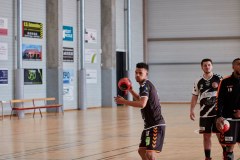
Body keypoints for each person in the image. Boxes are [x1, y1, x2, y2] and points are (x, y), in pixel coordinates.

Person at [114, 62, 166, 160]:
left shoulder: (145, 85)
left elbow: (142, 104)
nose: (137, 75)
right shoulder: (145, 85)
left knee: (150, 153)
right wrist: (130, 90)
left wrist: (124, 101)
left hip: (156, 125)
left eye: (140, 73)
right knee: (142, 151)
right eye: (136, 73)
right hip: (148, 126)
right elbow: (140, 99)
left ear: (146, 74)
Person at [190, 58, 225, 160]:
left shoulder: (219, 78)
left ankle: (226, 154)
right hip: (204, 114)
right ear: (202, 67)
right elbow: (195, 96)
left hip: (217, 113)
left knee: (220, 135)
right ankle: (208, 157)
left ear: (212, 66)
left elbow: (225, 95)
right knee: (206, 136)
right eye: (205, 65)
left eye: (209, 65)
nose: (207, 67)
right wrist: (191, 110)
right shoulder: (198, 81)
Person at [216, 58, 240, 160]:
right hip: (229, 119)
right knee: (229, 146)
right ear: (233, 66)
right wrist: (219, 116)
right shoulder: (225, 81)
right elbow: (219, 99)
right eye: (239, 64)